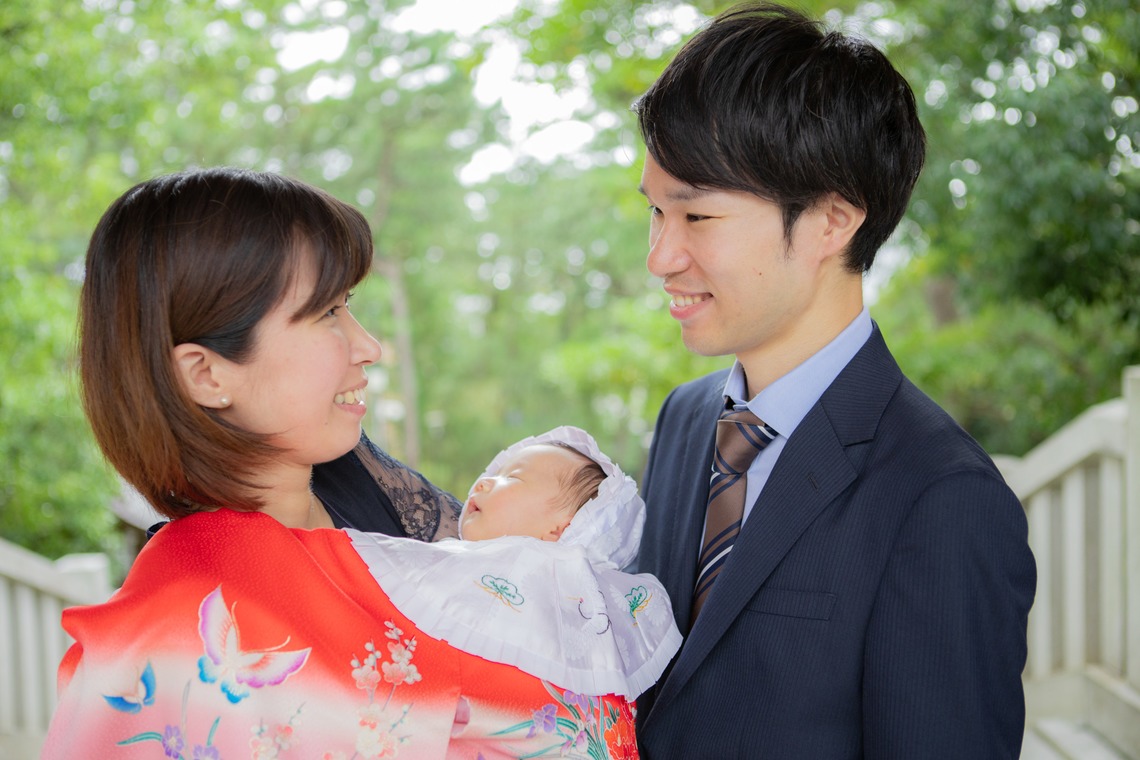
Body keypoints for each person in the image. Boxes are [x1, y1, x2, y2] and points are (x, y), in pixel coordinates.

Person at [42, 168, 639, 759]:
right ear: (207, 374)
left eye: (347, 305)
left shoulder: (365, 483)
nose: (368, 347)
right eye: (327, 313)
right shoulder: (172, 632)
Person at [630, 3, 1037, 759]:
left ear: (831, 221)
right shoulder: (686, 421)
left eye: (697, 217)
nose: (660, 256)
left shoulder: (942, 501)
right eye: (654, 211)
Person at [351, 426, 682, 700]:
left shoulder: (555, 579)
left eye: (513, 478)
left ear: (561, 527)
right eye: (495, 473)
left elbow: (400, 566)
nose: (482, 482)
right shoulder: (473, 559)